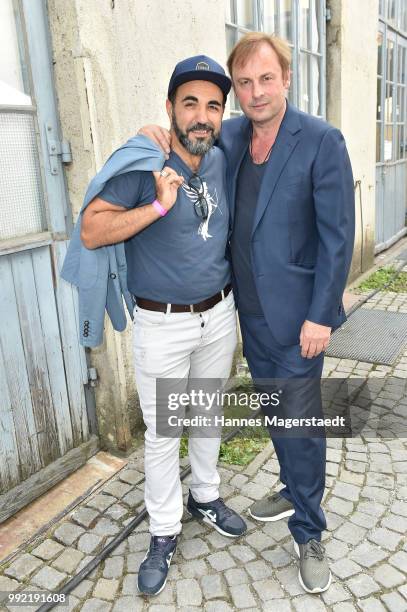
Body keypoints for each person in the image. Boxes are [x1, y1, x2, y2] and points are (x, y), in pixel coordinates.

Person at [140, 33, 355, 594]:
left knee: (301, 423)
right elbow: (185, 139)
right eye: (244, 83)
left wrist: (323, 315)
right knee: (274, 412)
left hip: (299, 320)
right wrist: (149, 137)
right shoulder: (232, 135)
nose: (255, 92)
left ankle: (309, 532)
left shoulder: (320, 141)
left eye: (266, 79)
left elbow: (338, 238)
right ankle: (291, 486)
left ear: (286, 79)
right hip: (247, 314)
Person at [80, 55, 247, 597]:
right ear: (170, 108)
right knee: (163, 432)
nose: (201, 116)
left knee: (207, 415)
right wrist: (156, 205)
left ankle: (205, 495)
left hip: (219, 314)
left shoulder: (221, 157)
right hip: (163, 324)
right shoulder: (145, 165)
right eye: (190, 103)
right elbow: (91, 230)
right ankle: (164, 530)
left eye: (213, 106)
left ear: (223, 114)